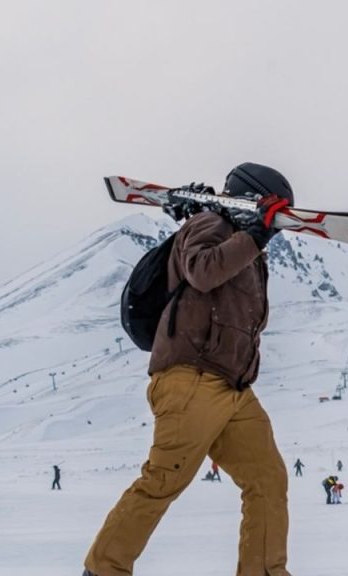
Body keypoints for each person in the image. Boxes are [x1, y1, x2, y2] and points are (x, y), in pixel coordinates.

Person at [83, 163, 296, 576]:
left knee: (268, 480)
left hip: (234, 389)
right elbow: (201, 271)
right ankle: (104, 569)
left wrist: (254, 239)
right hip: (191, 378)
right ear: (252, 200)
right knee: (164, 480)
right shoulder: (208, 224)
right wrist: (254, 235)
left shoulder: (250, 253)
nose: (277, 225)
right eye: (274, 212)